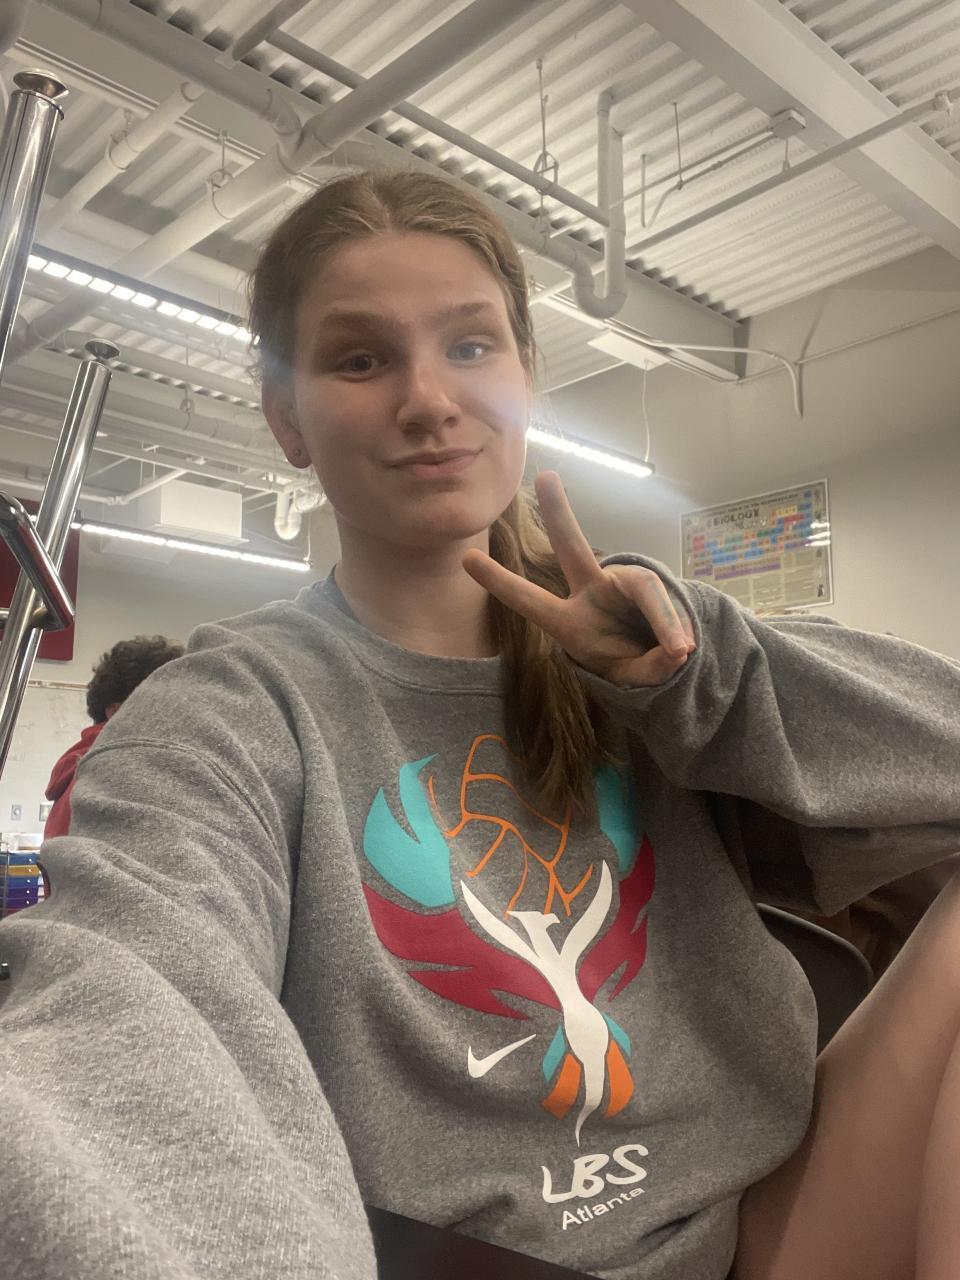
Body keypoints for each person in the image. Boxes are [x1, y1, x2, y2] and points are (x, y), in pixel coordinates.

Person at [0, 170, 958, 1280]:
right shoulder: (228, 714)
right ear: (286, 418)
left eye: (468, 346)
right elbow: (131, 998)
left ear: (525, 375)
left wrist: (699, 679)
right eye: (360, 359)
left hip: (763, 1226)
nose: (428, 399)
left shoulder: (658, 661)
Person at [43, 635, 184, 840]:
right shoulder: (120, 767)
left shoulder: (85, 761)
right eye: (159, 704)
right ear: (115, 712)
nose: (176, 715)